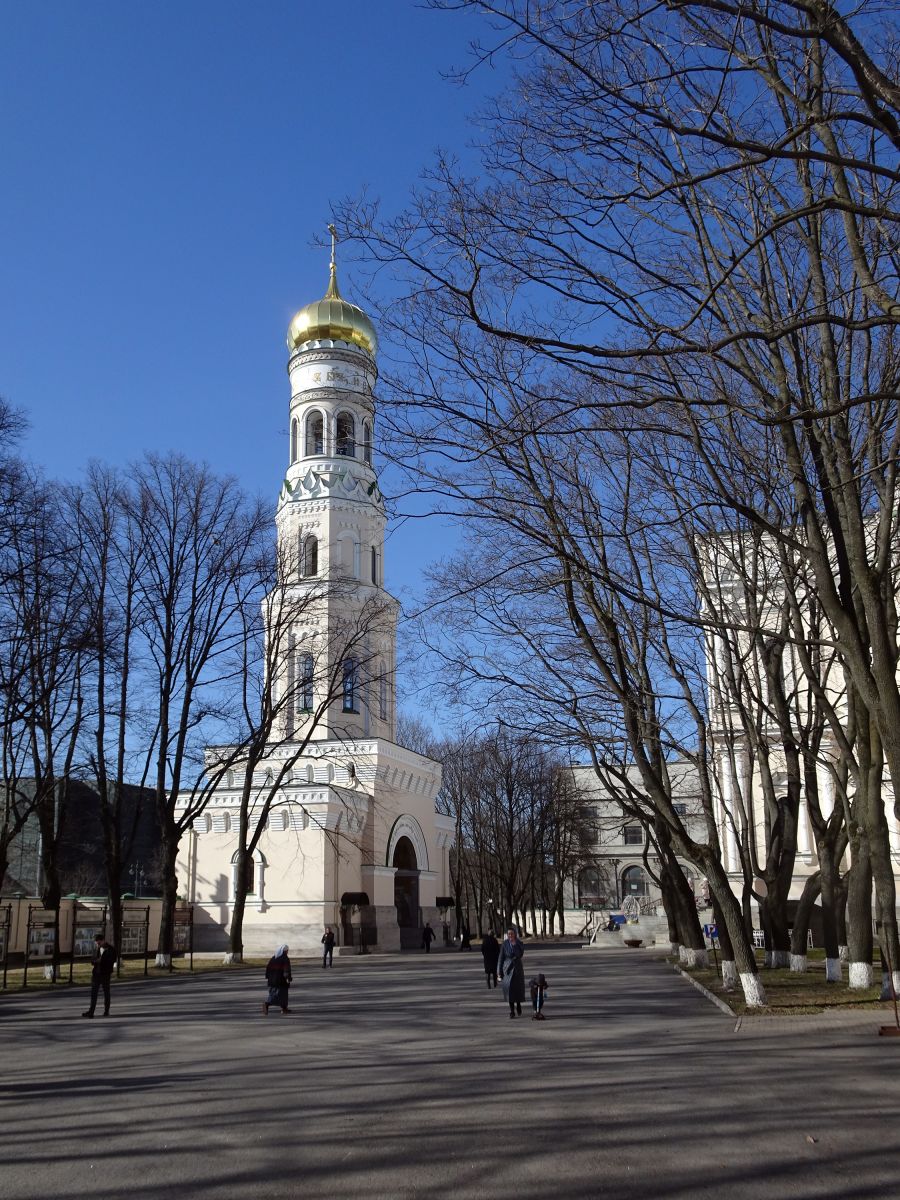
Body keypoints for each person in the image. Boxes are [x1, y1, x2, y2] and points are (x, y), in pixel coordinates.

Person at [82, 933, 117, 1018]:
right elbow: (92, 959)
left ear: (103, 940)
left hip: (105, 974)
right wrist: (95, 961)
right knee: (94, 993)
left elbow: (112, 960)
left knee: (106, 993)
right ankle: (91, 1012)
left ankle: (106, 1011)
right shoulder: (96, 948)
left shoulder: (110, 949)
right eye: (96, 943)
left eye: (99, 943)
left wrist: (101, 961)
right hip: (96, 974)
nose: (98, 944)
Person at [497, 927, 525, 1017]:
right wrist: (499, 971)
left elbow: (520, 954)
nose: (510, 935)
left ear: (515, 934)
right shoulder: (504, 944)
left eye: (512, 934)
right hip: (508, 970)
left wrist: (515, 945)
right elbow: (500, 958)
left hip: (517, 969)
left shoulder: (519, 943)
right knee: (509, 991)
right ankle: (512, 1011)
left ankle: (518, 1005)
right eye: (509, 934)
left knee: (518, 990)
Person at [264, 944, 292, 1014]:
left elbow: (268, 968)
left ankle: (284, 1008)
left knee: (278, 994)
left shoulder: (273, 958)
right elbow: (286, 970)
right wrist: (288, 978)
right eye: (287, 951)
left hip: (271, 980)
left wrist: (267, 977)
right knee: (278, 994)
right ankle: (267, 1004)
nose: (287, 952)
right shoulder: (285, 958)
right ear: (284, 951)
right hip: (280, 981)